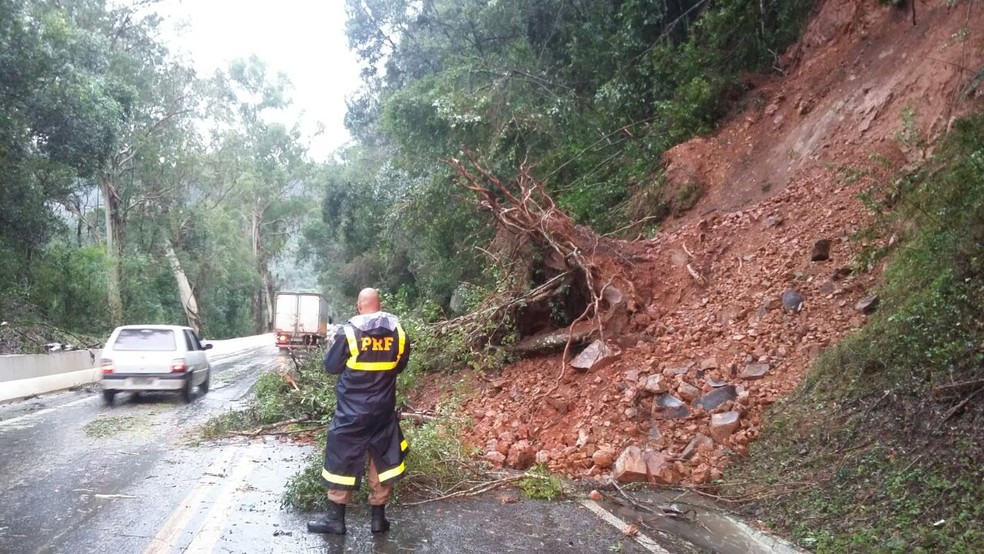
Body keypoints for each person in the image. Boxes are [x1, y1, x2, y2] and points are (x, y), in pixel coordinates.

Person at [307, 288, 410, 535]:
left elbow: (331, 366)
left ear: (359, 305)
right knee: (381, 458)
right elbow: (400, 365)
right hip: (383, 411)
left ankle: (336, 519)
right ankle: (378, 519)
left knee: (342, 455)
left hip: (351, 412)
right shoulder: (398, 331)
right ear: (380, 304)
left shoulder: (349, 332)